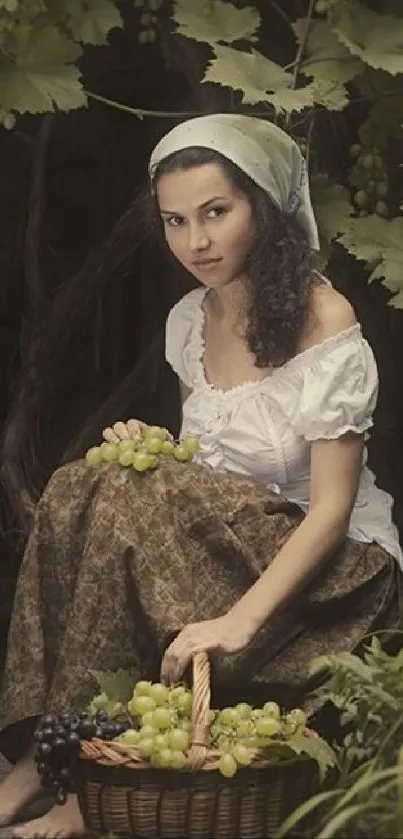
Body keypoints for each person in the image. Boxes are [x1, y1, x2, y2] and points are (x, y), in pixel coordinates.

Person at [0, 113, 402, 838]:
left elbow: (331, 510)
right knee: (80, 485)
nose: (196, 242)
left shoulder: (322, 319)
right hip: (231, 543)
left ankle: (71, 783)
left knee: (123, 493)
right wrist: (150, 447)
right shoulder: (188, 319)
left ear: (265, 207)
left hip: (335, 571)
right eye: (175, 220)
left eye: (216, 212)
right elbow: (207, 471)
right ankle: (54, 754)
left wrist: (237, 620)